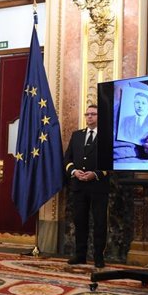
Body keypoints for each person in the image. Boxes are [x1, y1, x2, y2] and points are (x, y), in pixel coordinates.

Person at [64, 105, 109, 268]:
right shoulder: (76, 136)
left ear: (99, 117)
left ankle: (98, 257)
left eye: (93, 114)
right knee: (80, 221)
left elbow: (110, 163)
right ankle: (80, 255)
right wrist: (74, 171)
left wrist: (95, 173)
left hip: (98, 186)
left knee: (99, 222)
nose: (90, 117)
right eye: (87, 114)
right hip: (78, 186)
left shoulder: (106, 136)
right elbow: (67, 159)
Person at [113, 82, 148, 163]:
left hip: (143, 165)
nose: (140, 106)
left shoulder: (144, 89)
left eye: (143, 103)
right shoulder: (127, 120)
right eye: (137, 103)